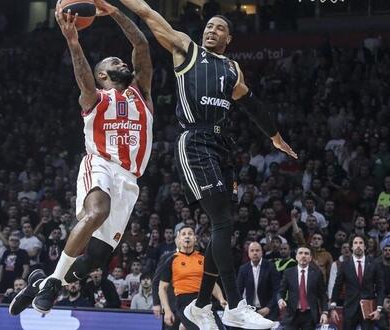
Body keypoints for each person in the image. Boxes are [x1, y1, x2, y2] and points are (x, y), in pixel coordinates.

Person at [116, 0, 296, 328]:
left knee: (221, 228)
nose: (211, 30)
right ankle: (233, 305)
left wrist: (275, 136)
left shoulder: (232, 69)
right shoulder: (186, 48)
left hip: (220, 145)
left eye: (219, 28)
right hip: (194, 140)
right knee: (223, 222)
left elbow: (252, 104)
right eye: (209, 26)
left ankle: (200, 305)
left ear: (229, 39)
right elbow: (147, 14)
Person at [8, 0, 154, 316]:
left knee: (97, 257)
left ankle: (41, 283)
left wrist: (113, 10)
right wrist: (74, 41)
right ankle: (54, 285)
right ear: (102, 73)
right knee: (96, 212)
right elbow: (84, 77)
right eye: (114, 61)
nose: (122, 62)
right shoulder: (94, 96)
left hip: (130, 180)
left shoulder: (141, 92)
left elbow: (140, 44)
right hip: (100, 163)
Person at [159, 226, 226, 329]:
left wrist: (221, 299)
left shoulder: (203, 258)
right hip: (184, 301)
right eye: (184, 234)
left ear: (195, 238)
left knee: (219, 328)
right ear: (179, 239)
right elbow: (162, 288)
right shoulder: (172, 260)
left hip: (204, 301)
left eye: (190, 234)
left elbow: (211, 283)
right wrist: (167, 310)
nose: (187, 236)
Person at [330, 235, 385, 330]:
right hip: (350, 308)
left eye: (361, 243)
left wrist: (379, 309)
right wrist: (333, 307)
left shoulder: (374, 264)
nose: (358, 245)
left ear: (365, 246)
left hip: (369, 308)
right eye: (355, 243)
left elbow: (380, 287)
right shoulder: (344, 265)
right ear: (351, 247)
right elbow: (337, 286)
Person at [278, 246, 329, 330]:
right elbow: (281, 292)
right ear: (296, 257)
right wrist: (280, 300)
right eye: (300, 253)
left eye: (306, 253)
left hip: (310, 315)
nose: (303, 256)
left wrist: (325, 312)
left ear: (310, 258)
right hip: (292, 314)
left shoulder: (317, 273)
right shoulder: (288, 272)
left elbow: (323, 295)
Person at [237, 242, 280, 320]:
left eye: (257, 250)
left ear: (262, 252)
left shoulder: (271, 267)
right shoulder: (243, 269)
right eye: (252, 251)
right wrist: (243, 308)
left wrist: (268, 307)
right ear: (248, 253)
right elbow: (238, 291)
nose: (255, 253)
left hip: (268, 310)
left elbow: (277, 290)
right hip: (249, 310)